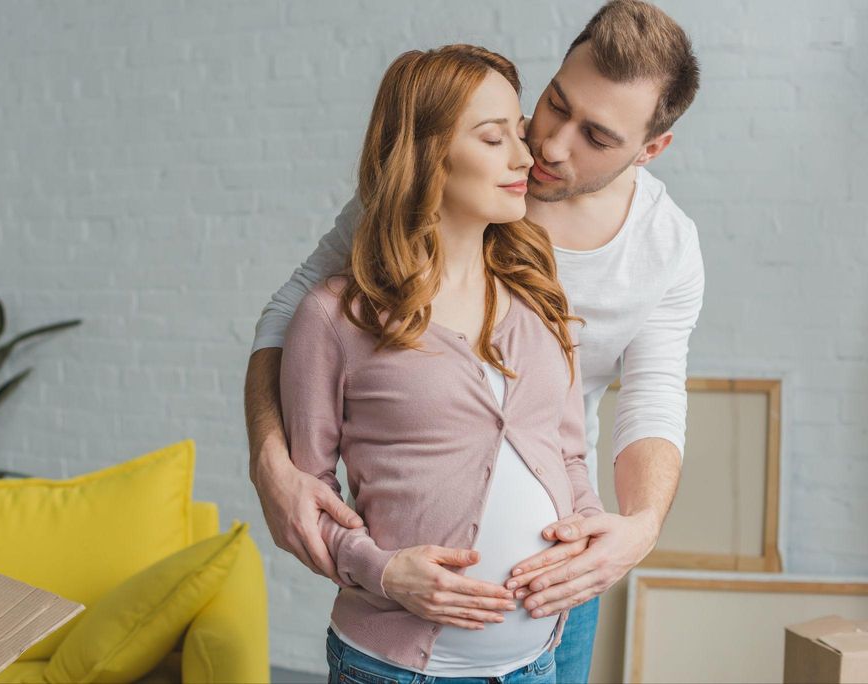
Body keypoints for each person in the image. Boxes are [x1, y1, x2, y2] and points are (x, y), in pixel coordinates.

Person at [246, 1, 704, 682]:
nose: (547, 146)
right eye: (554, 103)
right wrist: (270, 461)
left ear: (650, 148)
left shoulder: (662, 248)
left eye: (596, 136)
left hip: (563, 579)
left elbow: (650, 398)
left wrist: (638, 528)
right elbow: (296, 314)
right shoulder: (443, 182)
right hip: (398, 633)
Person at [279, 43, 603, 683]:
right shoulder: (336, 317)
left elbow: (566, 453)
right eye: (492, 138)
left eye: (518, 132)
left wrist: (587, 532)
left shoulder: (539, 297)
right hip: (395, 670)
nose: (523, 156)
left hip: (534, 664)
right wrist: (383, 572)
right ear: (427, 156)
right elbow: (305, 499)